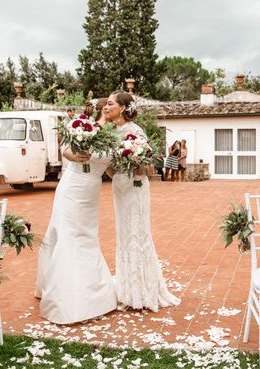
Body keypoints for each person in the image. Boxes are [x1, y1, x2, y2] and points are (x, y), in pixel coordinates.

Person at [35, 98, 117, 324]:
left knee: (87, 236)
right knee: (69, 235)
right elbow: (65, 150)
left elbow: (108, 167)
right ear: (102, 109)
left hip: (91, 191)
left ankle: (92, 291)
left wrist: (129, 176)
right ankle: (66, 297)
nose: (110, 108)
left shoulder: (116, 134)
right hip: (72, 187)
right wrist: (76, 156)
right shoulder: (83, 125)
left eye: (113, 105)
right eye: (108, 105)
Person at [103, 91, 180, 312]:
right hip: (120, 187)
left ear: (123, 108)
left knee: (138, 234)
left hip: (136, 188)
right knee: (124, 236)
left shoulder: (136, 132)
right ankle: (127, 290)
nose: (106, 107)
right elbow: (108, 164)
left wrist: (135, 160)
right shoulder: (110, 132)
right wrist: (116, 175)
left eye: (110, 104)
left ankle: (142, 292)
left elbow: (148, 168)